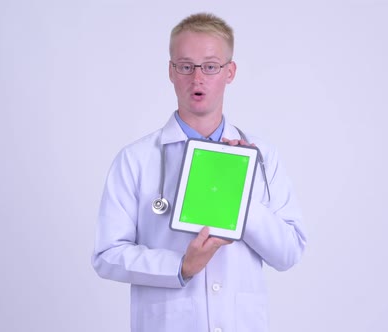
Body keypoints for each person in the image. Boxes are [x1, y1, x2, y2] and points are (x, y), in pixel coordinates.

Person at [91, 12, 306, 332]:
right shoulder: (136, 159)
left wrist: (238, 190)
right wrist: (180, 266)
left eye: (210, 66)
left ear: (229, 72)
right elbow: (107, 255)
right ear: (170, 71)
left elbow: (288, 253)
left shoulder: (260, 156)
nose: (197, 78)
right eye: (185, 66)